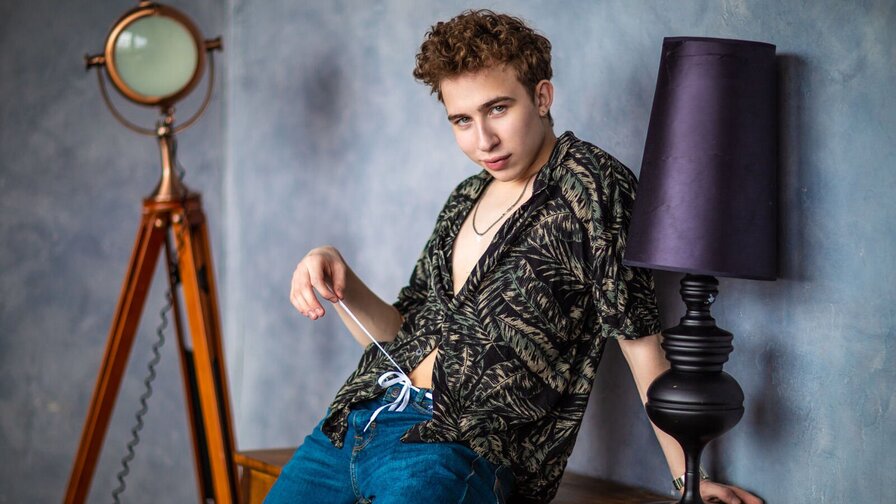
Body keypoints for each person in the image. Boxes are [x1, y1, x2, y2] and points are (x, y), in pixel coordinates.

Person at [268, 9, 762, 504]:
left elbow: (639, 340)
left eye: (498, 109)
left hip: (454, 447)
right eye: (463, 120)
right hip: (355, 420)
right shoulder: (465, 198)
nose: (483, 140)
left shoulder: (591, 186)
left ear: (541, 97)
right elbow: (400, 335)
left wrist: (688, 479)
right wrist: (339, 277)